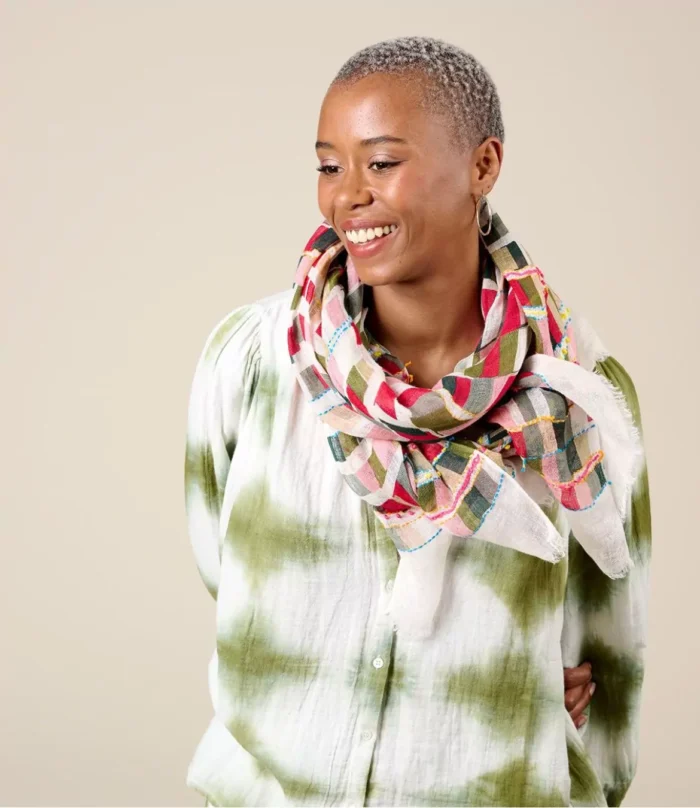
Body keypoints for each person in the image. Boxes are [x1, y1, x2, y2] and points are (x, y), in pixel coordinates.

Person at [184, 36, 651, 808]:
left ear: (483, 166)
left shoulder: (577, 397)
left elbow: (611, 653)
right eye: (329, 167)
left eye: (380, 162)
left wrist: (526, 703)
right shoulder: (256, 362)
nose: (347, 196)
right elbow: (227, 571)